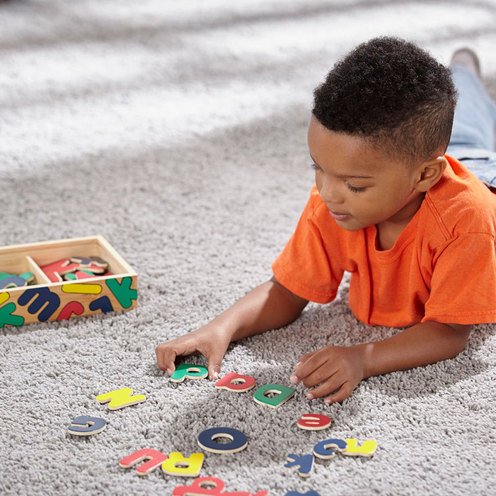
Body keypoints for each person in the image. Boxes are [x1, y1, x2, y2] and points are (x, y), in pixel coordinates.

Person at [156, 37, 496, 404]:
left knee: (469, 123)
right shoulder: (334, 204)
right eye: (318, 168)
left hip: (481, 175)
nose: (328, 192)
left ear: (426, 175)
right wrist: (220, 328)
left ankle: (462, 71)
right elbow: (287, 291)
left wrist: (363, 358)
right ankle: (462, 70)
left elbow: (449, 331)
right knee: (465, 122)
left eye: (354, 184)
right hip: (424, 164)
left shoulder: (467, 224)